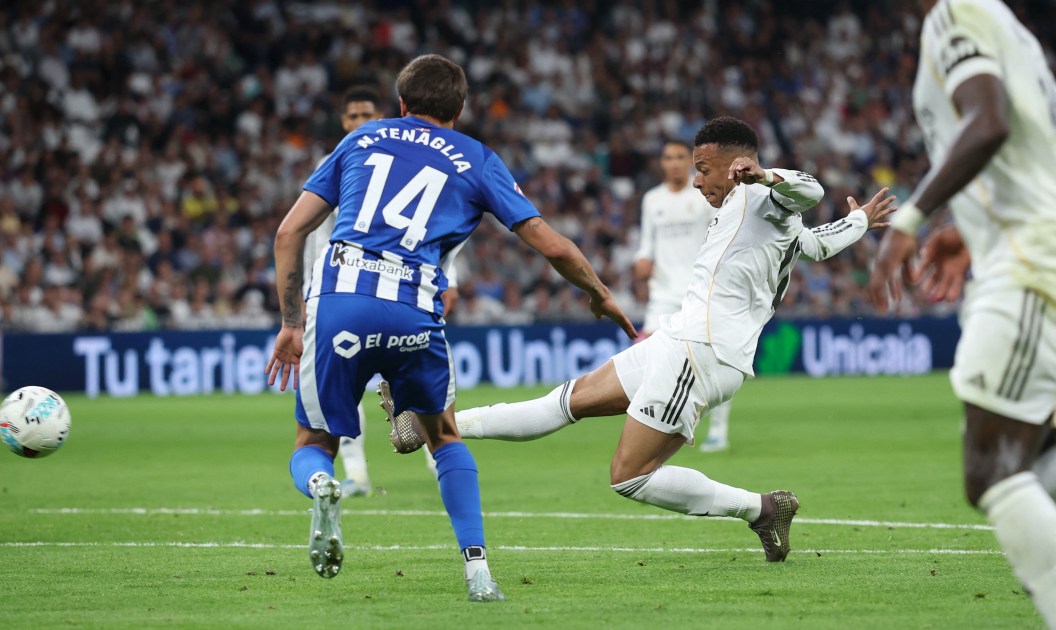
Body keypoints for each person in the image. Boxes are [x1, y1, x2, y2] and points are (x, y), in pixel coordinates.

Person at [383, 116, 895, 563]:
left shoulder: (763, 195)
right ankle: (425, 425)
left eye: (704, 168)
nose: (696, 180)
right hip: (678, 338)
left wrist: (765, 174)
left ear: (738, 164)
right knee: (564, 402)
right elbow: (817, 244)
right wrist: (859, 221)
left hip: (705, 352)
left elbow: (809, 190)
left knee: (629, 475)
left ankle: (762, 509)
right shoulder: (762, 214)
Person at [265, 54, 635, 601]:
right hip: (413, 309)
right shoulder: (477, 158)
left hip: (339, 302)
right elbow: (552, 245)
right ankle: (478, 572)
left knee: (314, 442)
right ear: (459, 110)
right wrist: (600, 294)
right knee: (443, 437)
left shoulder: (361, 138)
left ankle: (322, 483)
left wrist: (291, 323)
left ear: (401, 102)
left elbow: (288, 233)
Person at [869, 0, 1056, 624]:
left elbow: (989, 121)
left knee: (991, 469)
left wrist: (912, 220)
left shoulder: (954, 12)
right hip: (1026, 245)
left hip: (1029, 263)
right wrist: (968, 230)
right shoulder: (1004, 24)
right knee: (1037, 454)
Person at [301, 86, 446, 498]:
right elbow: (314, 234)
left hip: (404, 289)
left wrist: (446, 280)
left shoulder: (406, 161)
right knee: (344, 392)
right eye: (353, 116)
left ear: (382, 115)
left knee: (419, 386)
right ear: (342, 121)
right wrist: (310, 292)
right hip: (341, 290)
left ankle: (440, 463)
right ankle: (358, 476)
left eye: (367, 114)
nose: (360, 122)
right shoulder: (333, 162)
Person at [634, 140, 734, 452]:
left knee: (714, 361)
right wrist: (642, 259)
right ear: (661, 163)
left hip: (700, 290)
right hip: (662, 293)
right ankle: (661, 427)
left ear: (689, 163)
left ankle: (718, 431)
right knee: (650, 358)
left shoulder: (703, 194)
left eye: (680, 157)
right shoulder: (652, 199)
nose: (674, 163)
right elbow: (646, 243)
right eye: (668, 158)